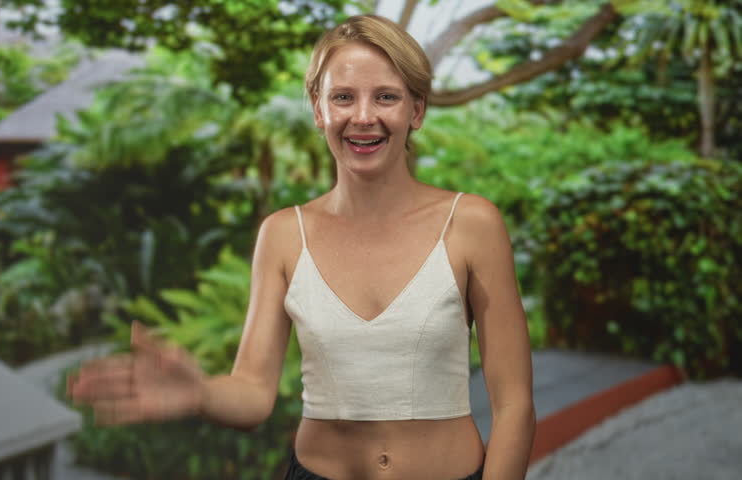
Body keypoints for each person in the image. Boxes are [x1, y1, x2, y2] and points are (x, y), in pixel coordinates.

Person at [68, 14, 535, 480]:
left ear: (416, 110)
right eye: (343, 97)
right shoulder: (284, 234)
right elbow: (253, 390)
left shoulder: (471, 223)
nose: (364, 116)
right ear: (318, 110)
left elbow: (514, 404)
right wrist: (200, 394)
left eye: (386, 97)